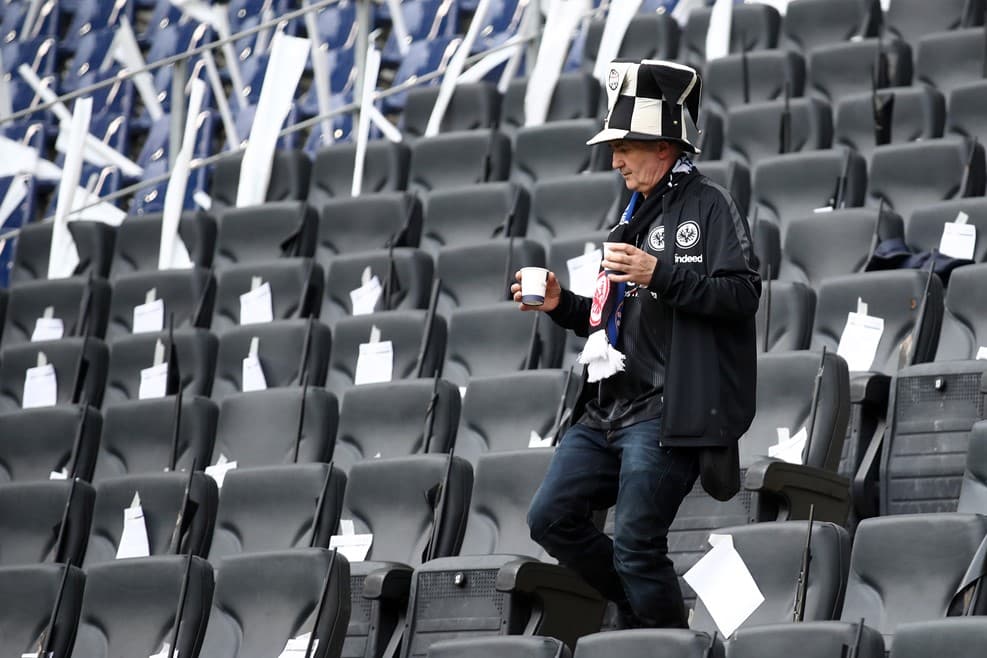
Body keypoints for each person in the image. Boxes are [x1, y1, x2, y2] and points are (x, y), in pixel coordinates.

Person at [513, 60, 761, 629]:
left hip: (667, 414)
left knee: (635, 544)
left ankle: (664, 642)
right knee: (549, 517)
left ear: (666, 146)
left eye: (625, 145)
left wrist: (660, 273)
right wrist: (561, 305)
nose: (614, 159)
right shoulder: (628, 215)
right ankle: (639, 607)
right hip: (606, 409)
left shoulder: (710, 205)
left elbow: (743, 294)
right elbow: (612, 321)